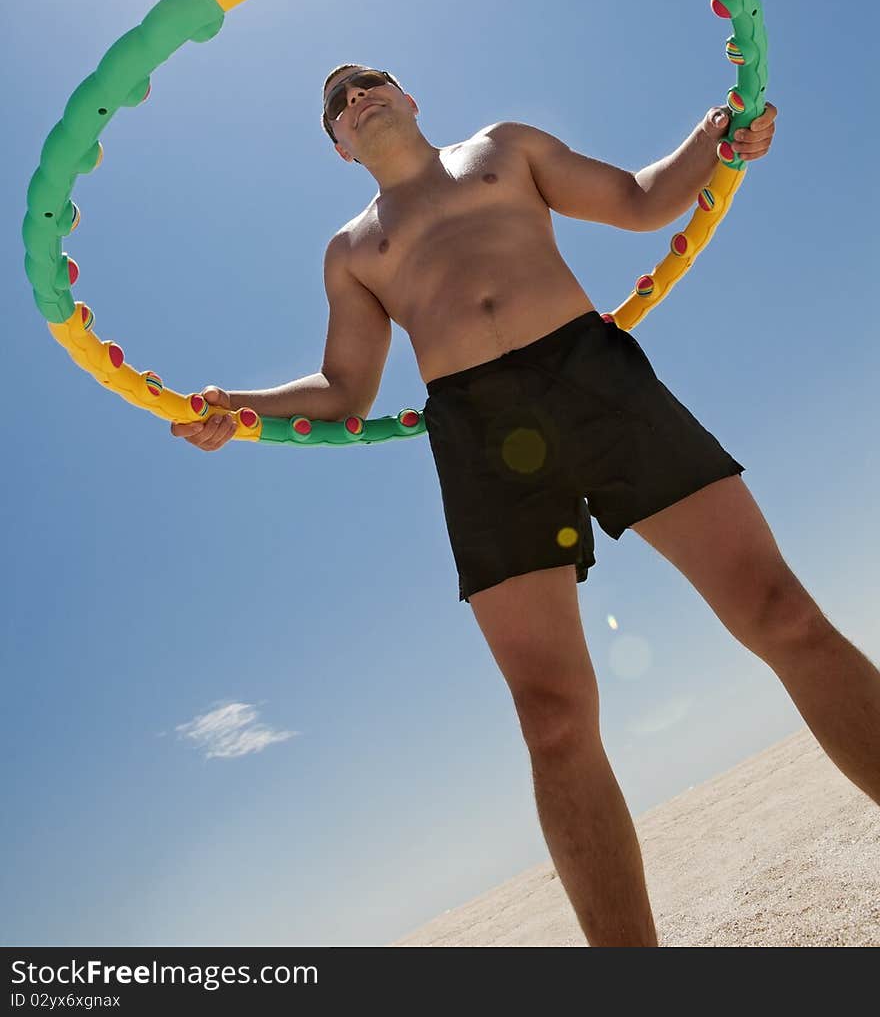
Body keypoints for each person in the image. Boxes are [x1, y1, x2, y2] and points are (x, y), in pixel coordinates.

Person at [171, 65, 880, 946]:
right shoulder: (352, 250)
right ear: (340, 145)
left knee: (779, 610)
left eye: (369, 83)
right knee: (551, 719)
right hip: (474, 432)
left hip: (593, 378)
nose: (356, 97)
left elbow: (639, 199)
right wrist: (238, 408)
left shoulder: (504, 150)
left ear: (411, 98)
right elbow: (345, 389)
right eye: (337, 104)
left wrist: (716, 135)